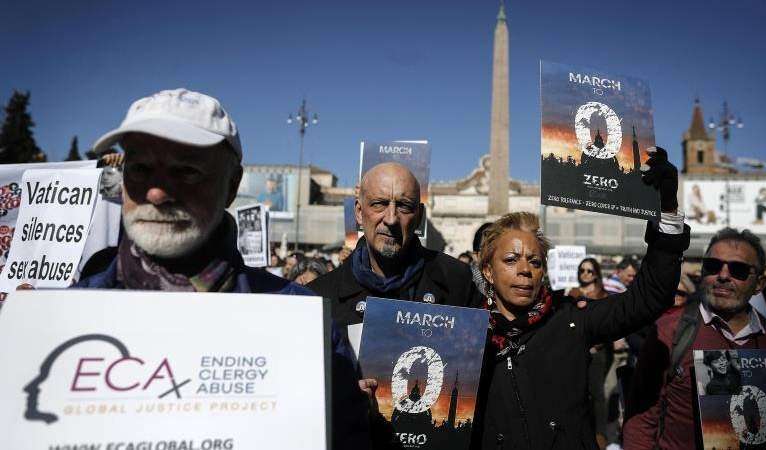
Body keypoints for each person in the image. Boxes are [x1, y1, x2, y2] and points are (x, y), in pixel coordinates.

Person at [74, 88, 369, 449]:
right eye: (140, 168)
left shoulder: (303, 322)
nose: (156, 193)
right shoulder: (64, 318)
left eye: (186, 171)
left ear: (231, 186)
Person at [471, 147, 689, 450]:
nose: (524, 270)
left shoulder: (573, 319)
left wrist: (666, 206)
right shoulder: (466, 335)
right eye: (510, 260)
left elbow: (649, 297)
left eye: (534, 262)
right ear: (488, 271)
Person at [623, 227, 766, 450]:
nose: (723, 276)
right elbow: (641, 421)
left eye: (739, 270)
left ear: (759, 284)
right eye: (713, 266)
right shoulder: (672, 332)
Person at [308, 161, 483, 325]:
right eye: (379, 204)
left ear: (419, 217)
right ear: (359, 212)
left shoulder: (458, 282)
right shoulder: (319, 297)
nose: (391, 219)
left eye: (404, 206)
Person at [568, 257, 613, 449]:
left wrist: (597, 346)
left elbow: (609, 324)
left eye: (589, 271)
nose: (585, 274)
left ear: (596, 273)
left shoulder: (603, 295)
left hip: (596, 352)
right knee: (577, 393)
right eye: (582, 270)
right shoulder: (573, 293)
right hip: (575, 352)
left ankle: (600, 434)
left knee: (597, 394)